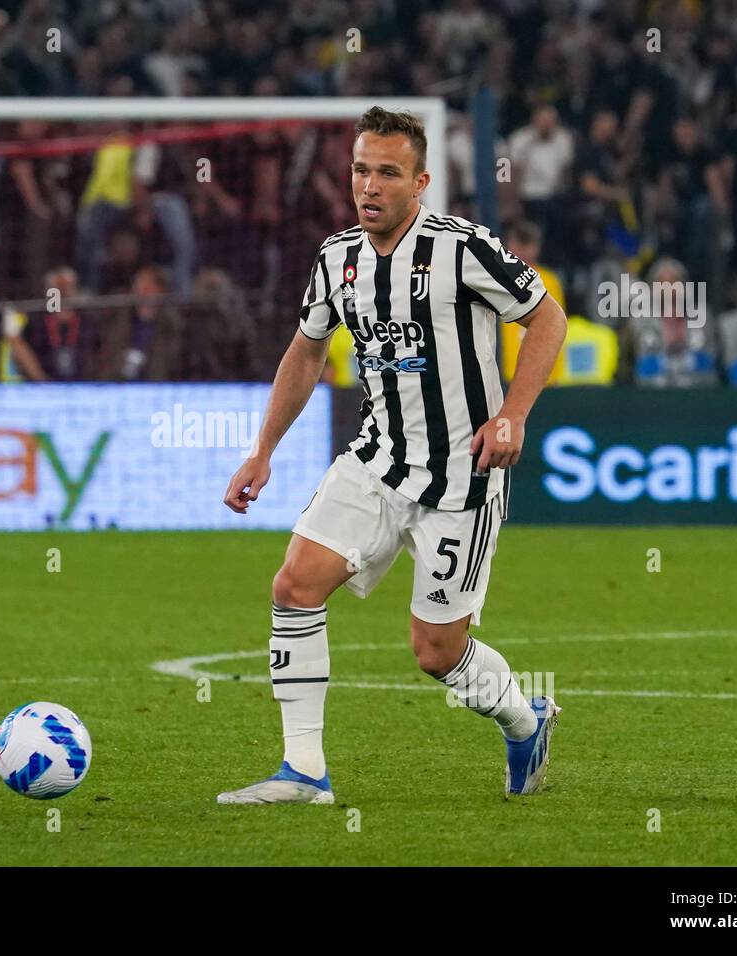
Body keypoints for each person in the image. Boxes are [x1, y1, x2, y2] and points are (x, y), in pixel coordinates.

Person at [218, 107, 567, 805]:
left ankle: (526, 723)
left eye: (387, 172)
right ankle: (304, 771)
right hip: (376, 460)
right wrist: (263, 451)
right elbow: (308, 350)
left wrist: (512, 415)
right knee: (294, 584)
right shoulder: (336, 258)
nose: (368, 185)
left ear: (421, 182)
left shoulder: (462, 249)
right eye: (360, 170)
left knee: (436, 653)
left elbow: (546, 317)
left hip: (462, 477)